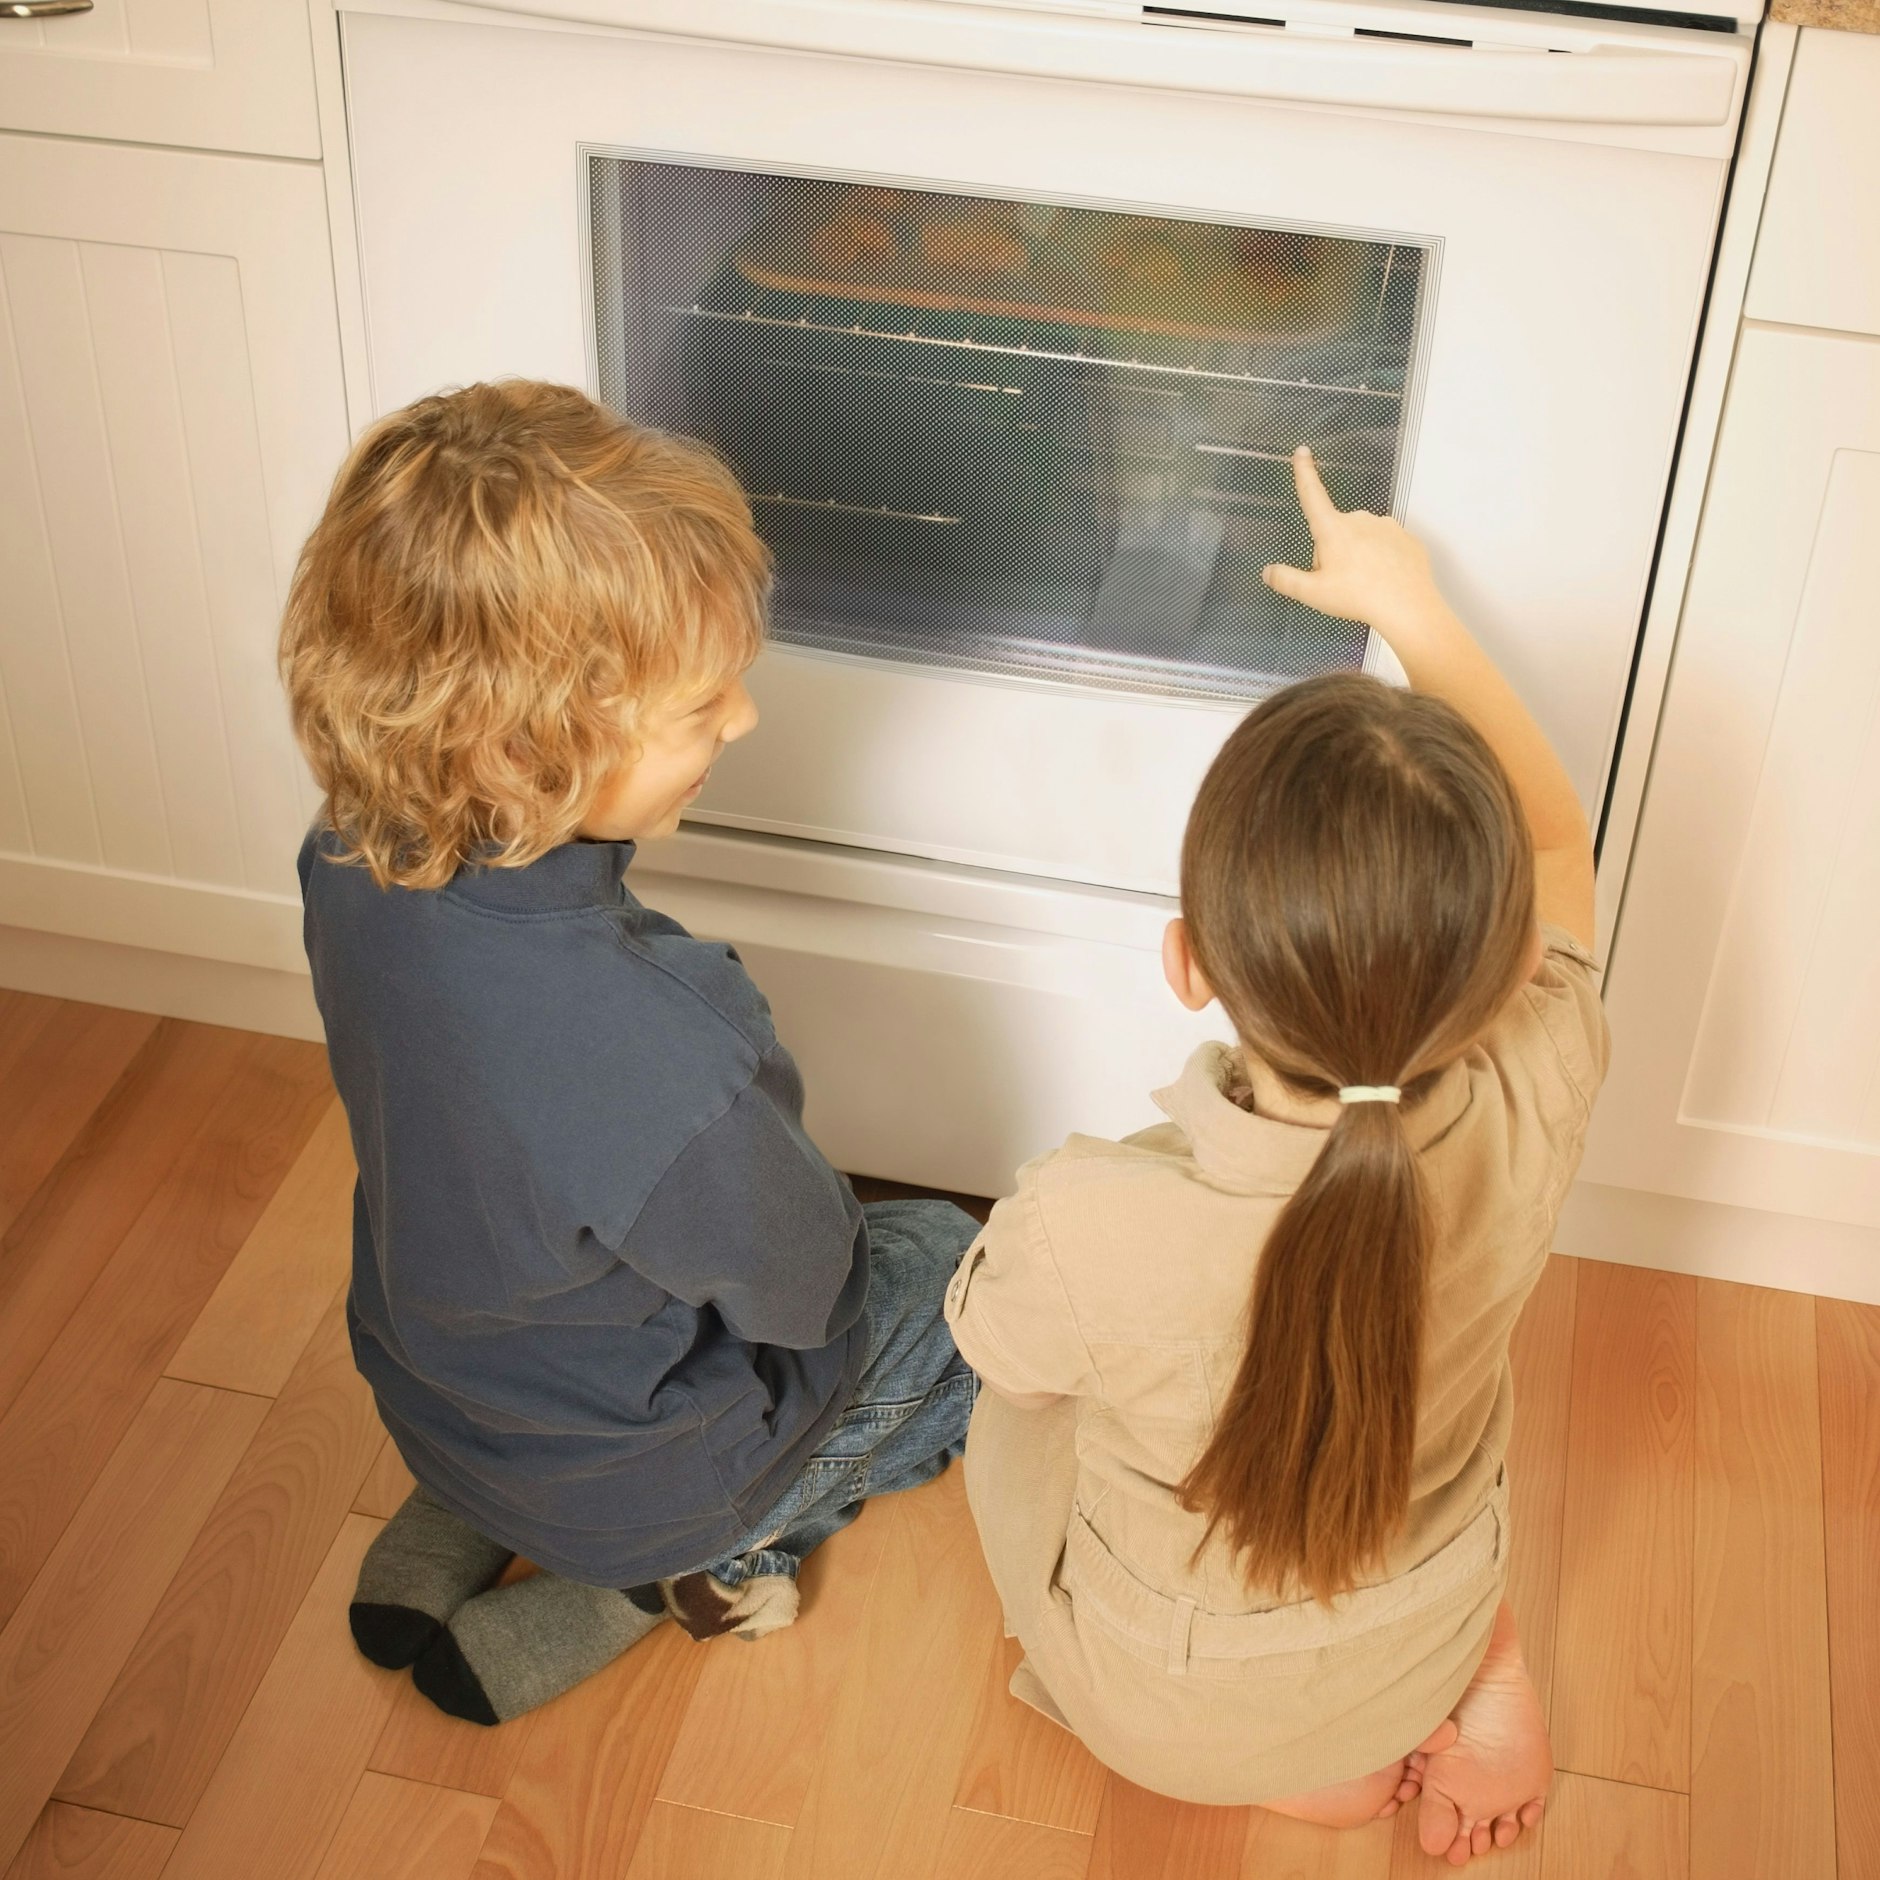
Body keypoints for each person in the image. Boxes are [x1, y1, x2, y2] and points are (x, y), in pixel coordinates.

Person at [944, 448, 1607, 1867]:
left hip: (1164, 1704)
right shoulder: (1540, 1076)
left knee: (1012, 1414)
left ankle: (1292, 1766)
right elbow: (1561, 846)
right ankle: (1442, 1681)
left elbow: (1004, 1358)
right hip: (1411, 1630)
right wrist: (1415, 615)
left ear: (1188, 966)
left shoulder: (1087, 1220)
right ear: (1502, 985)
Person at [281, 380, 977, 1725]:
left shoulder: (343, 853)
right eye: (704, 702)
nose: (744, 721)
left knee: (548, 1279)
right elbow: (804, 1293)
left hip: (433, 1383)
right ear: (525, 746)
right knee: (947, 1263)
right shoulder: (673, 1051)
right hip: (652, 1470)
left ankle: (473, 1499)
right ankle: (681, 1569)